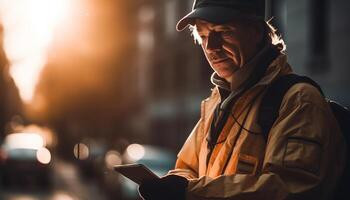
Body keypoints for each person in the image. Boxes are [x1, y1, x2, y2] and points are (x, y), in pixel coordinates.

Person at [138, 0, 346, 199]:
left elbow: (287, 190)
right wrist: (172, 187)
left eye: (222, 32)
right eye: (202, 35)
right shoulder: (216, 102)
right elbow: (188, 169)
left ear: (256, 31)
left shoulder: (299, 100)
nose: (211, 46)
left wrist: (189, 192)